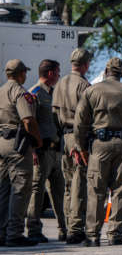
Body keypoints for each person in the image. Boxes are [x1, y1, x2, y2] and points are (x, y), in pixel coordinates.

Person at [74, 57, 122, 246]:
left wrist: (80, 147)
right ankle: (115, 234)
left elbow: (80, 122)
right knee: (120, 190)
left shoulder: (91, 90)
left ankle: (92, 235)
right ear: (121, 73)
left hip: (99, 144)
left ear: (106, 71)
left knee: (96, 190)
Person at [0, 59, 42, 247]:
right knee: (21, 189)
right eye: (24, 72)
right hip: (17, 145)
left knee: (3, 189)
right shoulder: (19, 91)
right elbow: (28, 120)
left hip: (1, 143)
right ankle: (14, 233)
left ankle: (2, 232)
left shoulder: (0, 91)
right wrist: (38, 140)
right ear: (21, 74)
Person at [52, 48, 92, 244]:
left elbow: (54, 114)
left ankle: (68, 226)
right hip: (78, 137)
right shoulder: (84, 85)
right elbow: (85, 117)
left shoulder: (60, 83)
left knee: (68, 184)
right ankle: (76, 229)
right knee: (79, 184)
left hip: (64, 137)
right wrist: (80, 143)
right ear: (85, 64)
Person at [26, 59, 67, 243]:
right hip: (41, 152)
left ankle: (64, 229)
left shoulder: (53, 94)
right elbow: (28, 122)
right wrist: (32, 150)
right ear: (50, 73)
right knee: (37, 192)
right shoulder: (34, 93)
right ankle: (34, 229)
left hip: (56, 151)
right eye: (57, 72)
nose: (59, 76)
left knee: (59, 192)